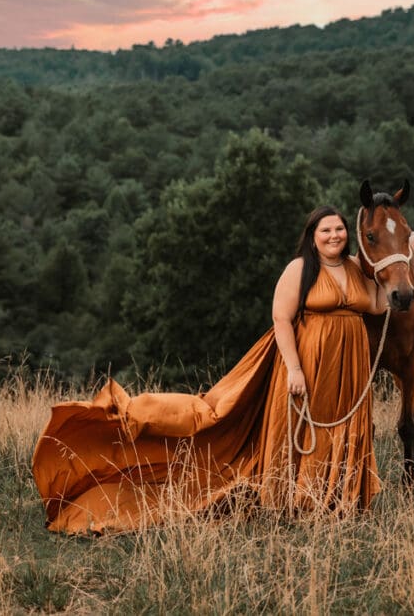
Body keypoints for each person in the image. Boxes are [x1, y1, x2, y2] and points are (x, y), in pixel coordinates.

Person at [32, 206, 386, 534]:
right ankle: (300, 501)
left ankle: (340, 499)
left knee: (344, 426)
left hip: (349, 367)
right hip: (309, 362)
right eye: (326, 230)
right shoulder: (300, 269)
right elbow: (281, 318)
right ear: (313, 236)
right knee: (305, 427)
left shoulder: (356, 268)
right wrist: (294, 368)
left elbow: (375, 303)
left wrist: (397, 271)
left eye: (339, 228)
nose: (334, 235)